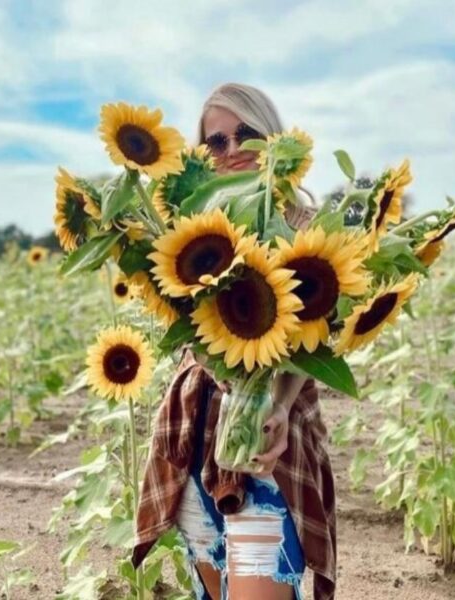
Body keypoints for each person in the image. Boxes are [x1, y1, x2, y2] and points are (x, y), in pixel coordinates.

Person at [131, 83, 337, 600]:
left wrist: (280, 406)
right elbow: (193, 335)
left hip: (266, 448)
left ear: (272, 136)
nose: (232, 150)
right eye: (215, 143)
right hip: (196, 433)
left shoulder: (308, 234)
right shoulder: (193, 240)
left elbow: (314, 346)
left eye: (245, 134)